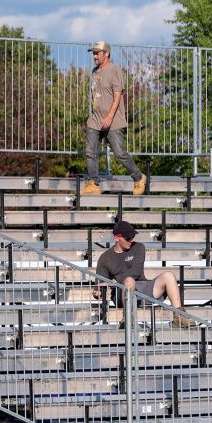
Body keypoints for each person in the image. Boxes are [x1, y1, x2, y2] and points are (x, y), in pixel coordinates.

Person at [95, 221, 194, 327]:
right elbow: (100, 285)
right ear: (116, 237)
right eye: (128, 238)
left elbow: (136, 272)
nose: (131, 240)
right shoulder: (105, 258)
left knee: (169, 275)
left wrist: (114, 280)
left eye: (132, 237)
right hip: (122, 293)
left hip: (142, 287)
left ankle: (179, 316)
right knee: (129, 281)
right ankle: (128, 318)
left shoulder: (138, 247)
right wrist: (98, 292)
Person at [81, 41, 146, 197]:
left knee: (119, 152)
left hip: (112, 120)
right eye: (93, 53)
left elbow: (118, 95)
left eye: (97, 52)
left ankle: (138, 177)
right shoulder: (94, 71)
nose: (94, 56)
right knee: (90, 151)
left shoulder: (115, 69)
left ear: (107, 53)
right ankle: (93, 183)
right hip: (95, 119)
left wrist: (109, 116)